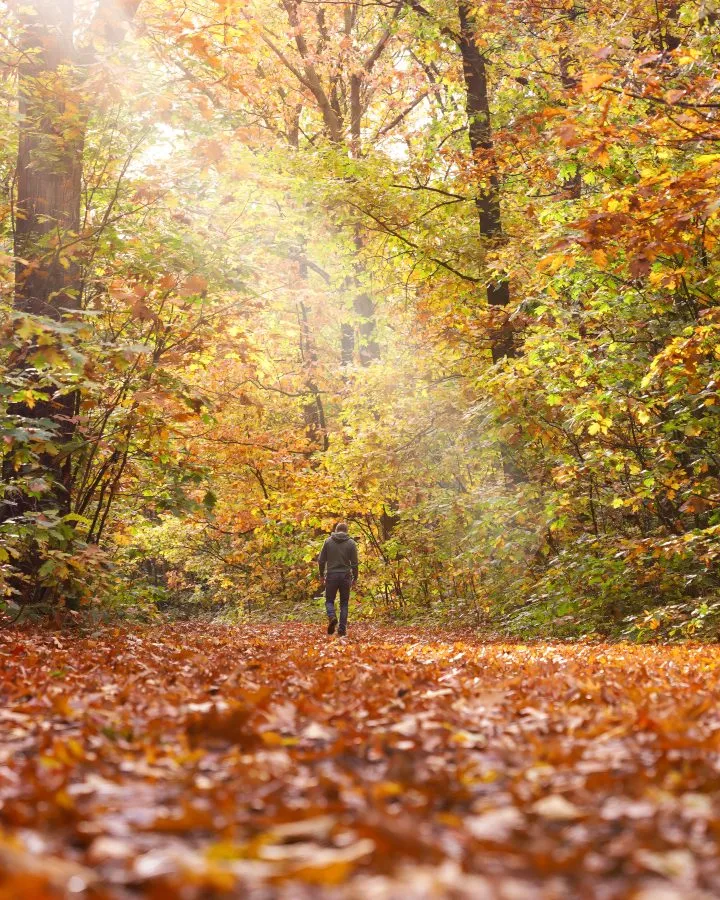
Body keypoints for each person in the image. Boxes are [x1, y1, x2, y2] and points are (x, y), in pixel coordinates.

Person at [318, 522, 358, 637]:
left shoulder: (328, 541)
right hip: (345, 576)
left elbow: (321, 561)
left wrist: (321, 575)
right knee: (344, 603)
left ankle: (332, 616)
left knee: (329, 600)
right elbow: (354, 563)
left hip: (331, 575)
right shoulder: (351, 543)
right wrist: (355, 577)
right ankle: (341, 630)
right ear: (346, 531)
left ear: (336, 530)